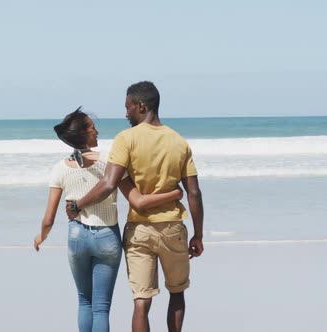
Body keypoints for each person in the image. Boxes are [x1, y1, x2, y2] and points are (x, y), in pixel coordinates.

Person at [66, 81, 204, 332]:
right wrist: (198, 234)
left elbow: (109, 183)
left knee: (142, 301)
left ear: (141, 106)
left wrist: (78, 205)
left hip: (140, 230)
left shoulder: (126, 139)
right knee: (177, 293)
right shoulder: (178, 141)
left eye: (128, 107)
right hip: (173, 229)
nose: (125, 113)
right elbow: (193, 192)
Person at [34, 107, 183, 332]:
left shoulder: (59, 169)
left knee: (84, 301)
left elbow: (49, 219)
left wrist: (40, 237)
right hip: (107, 238)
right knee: (101, 307)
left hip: (77, 236)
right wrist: (175, 193)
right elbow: (137, 199)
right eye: (92, 128)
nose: (97, 132)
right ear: (83, 134)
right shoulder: (109, 163)